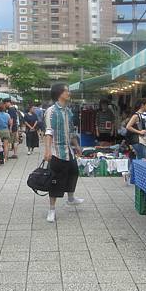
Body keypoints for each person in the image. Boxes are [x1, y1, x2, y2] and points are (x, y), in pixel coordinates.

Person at [44, 83, 84, 223]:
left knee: (74, 172)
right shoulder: (52, 111)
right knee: (55, 181)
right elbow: (49, 132)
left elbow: (71, 132)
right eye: (67, 91)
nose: (69, 93)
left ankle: (71, 198)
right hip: (57, 152)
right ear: (60, 93)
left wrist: (77, 146)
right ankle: (51, 210)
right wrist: (48, 150)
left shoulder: (69, 111)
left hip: (69, 151)